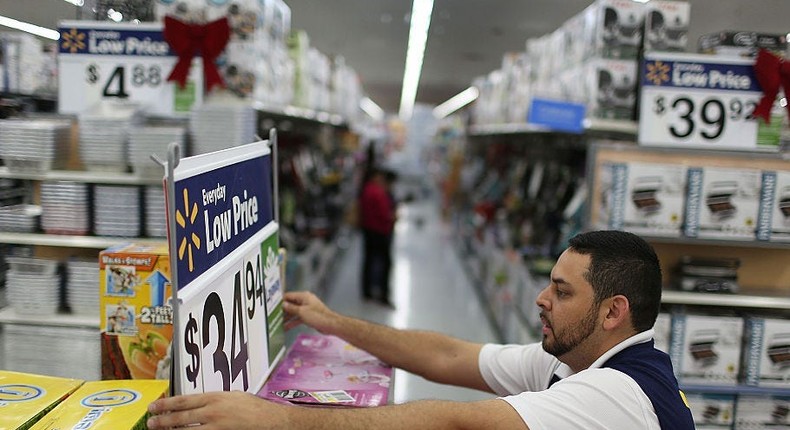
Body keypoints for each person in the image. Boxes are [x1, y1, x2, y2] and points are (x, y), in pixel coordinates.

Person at [147, 230, 695, 429]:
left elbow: (457, 421)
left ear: (613, 311)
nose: (541, 298)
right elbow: (449, 356)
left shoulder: (616, 396)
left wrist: (281, 421)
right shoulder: (571, 361)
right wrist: (330, 320)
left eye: (563, 290)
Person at [358, 167, 396, 306]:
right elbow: (384, 213)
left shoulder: (366, 190)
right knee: (386, 263)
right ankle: (383, 294)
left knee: (368, 260)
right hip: (379, 231)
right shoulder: (377, 192)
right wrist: (392, 217)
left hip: (368, 229)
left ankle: (367, 292)